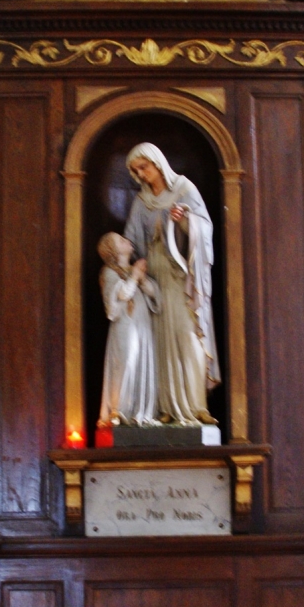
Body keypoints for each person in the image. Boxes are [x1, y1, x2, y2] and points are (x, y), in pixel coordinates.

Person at [124, 142, 220, 426]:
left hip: (181, 276)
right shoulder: (141, 202)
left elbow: (205, 229)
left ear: (158, 162)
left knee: (187, 335)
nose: (141, 174)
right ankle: (166, 407)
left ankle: (195, 406)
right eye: (135, 171)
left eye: (144, 167)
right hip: (154, 278)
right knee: (160, 343)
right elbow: (131, 240)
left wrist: (184, 221)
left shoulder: (184, 189)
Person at [97, 231, 160, 428]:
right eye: (121, 241)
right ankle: (119, 411)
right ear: (113, 251)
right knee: (124, 365)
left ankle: (142, 413)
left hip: (142, 326)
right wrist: (134, 276)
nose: (127, 241)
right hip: (124, 326)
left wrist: (142, 280)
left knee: (143, 364)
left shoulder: (135, 270)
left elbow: (155, 295)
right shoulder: (109, 273)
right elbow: (122, 294)